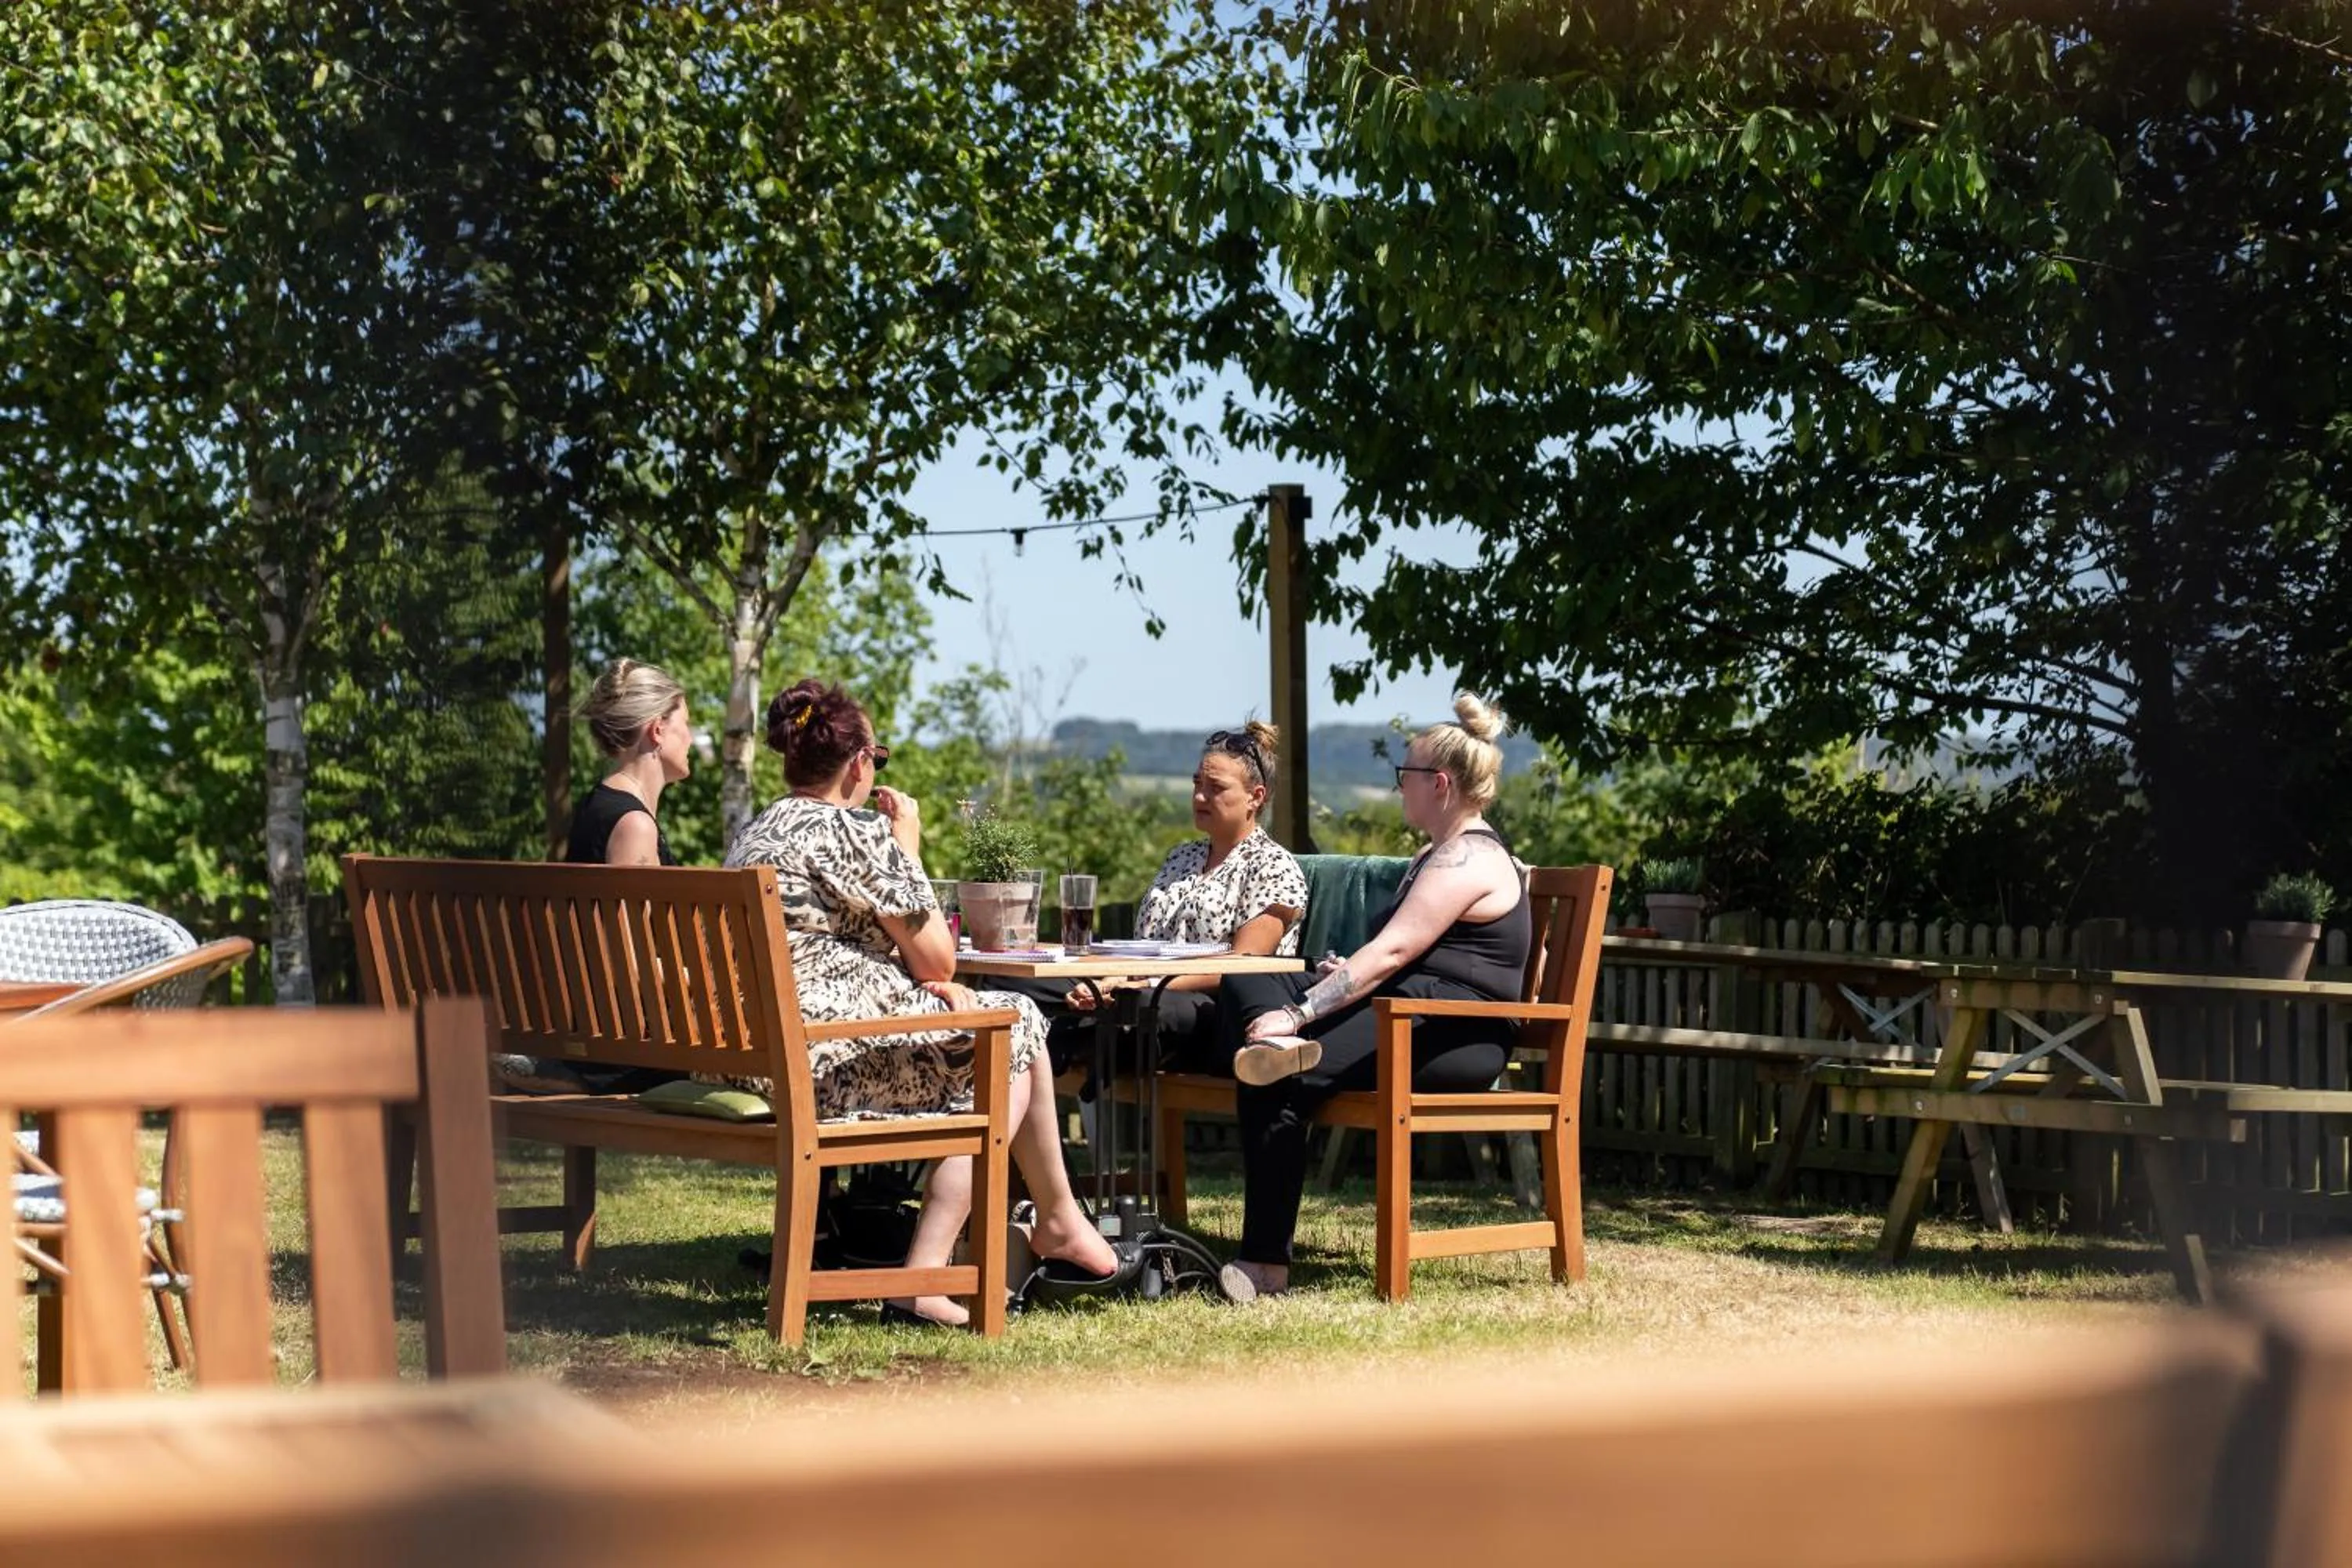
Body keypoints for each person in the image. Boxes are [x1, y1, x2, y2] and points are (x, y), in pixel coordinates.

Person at [723, 678, 1116, 1327]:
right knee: (1013, 1026)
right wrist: (905, 848)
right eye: (878, 757)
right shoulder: (857, 834)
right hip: (818, 1063)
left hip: (753, 1053)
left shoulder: (756, 830)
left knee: (1004, 1031)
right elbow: (937, 959)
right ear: (859, 763)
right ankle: (937, 1271)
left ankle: (1056, 1220)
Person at [1215, 693, 1530, 1301]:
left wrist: (1301, 1011)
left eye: (1404, 774)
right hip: (1404, 1008)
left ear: (1439, 784)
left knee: (1282, 1078)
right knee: (1247, 975)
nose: (1398, 787)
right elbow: (1392, 956)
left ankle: (1265, 1267)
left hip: (1451, 1029)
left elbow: (1393, 952)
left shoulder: (1469, 858)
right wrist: (1325, 983)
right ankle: (1272, 1050)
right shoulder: (1434, 854)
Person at [1053, 720, 1308, 1076]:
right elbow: (1143, 948)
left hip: (1211, 1010)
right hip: (1141, 987)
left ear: (1256, 796)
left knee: (1139, 1008)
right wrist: (1106, 979)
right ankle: (1069, 1041)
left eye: (1215, 788)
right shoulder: (1181, 857)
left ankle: (1071, 1046)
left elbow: (1245, 965)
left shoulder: (1273, 866)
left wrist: (1143, 983)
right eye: (1197, 784)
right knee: (1035, 988)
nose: (1200, 797)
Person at [499, 659, 696, 1095]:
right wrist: (703, 980)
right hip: (626, 1048)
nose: (692, 737)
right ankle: (570, 1077)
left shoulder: (597, 806)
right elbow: (627, 965)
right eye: (686, 723)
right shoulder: (634, 826)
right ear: (657, 731)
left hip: (597, 1028)